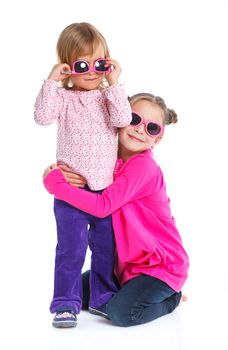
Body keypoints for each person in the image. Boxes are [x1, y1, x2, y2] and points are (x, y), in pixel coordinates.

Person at [43, 92, 189, 327]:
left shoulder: (143, 166)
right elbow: (78, 166)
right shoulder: (105, 162)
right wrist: (56, 170)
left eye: (152, 128)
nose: (140, 130)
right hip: (124, 268)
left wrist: (56, 185)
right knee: (75, 294)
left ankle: (170, 298)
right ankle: (137, 290)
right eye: (134, 119)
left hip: (160, 267)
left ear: (156, 140)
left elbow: (102, 207)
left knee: (121, 313)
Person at [34, 22, 132, 328]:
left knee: (106, 248)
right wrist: (52, 81)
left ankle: (102, 297)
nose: (92, 71)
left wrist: (114, 82)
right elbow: (41, 117)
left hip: (105, 192)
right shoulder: (63, 98)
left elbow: (123, 119)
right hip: (72, 193)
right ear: (68, 67)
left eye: (99, 63)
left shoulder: (108, 97)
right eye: (82, 65)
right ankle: (65, 303)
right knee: (70, 248)